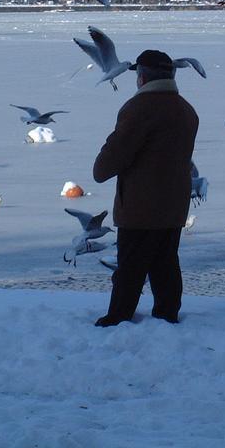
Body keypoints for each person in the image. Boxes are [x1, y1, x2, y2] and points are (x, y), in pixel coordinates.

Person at [92, 49, 199, 327]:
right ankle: (167, 315)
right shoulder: (186, 110)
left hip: (140, 205)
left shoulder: (139, 109)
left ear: (142, 78)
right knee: (165, 263)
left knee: (131, 265)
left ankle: (118, 317)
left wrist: (102, 164)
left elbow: (115, 156)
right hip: (174, 204)